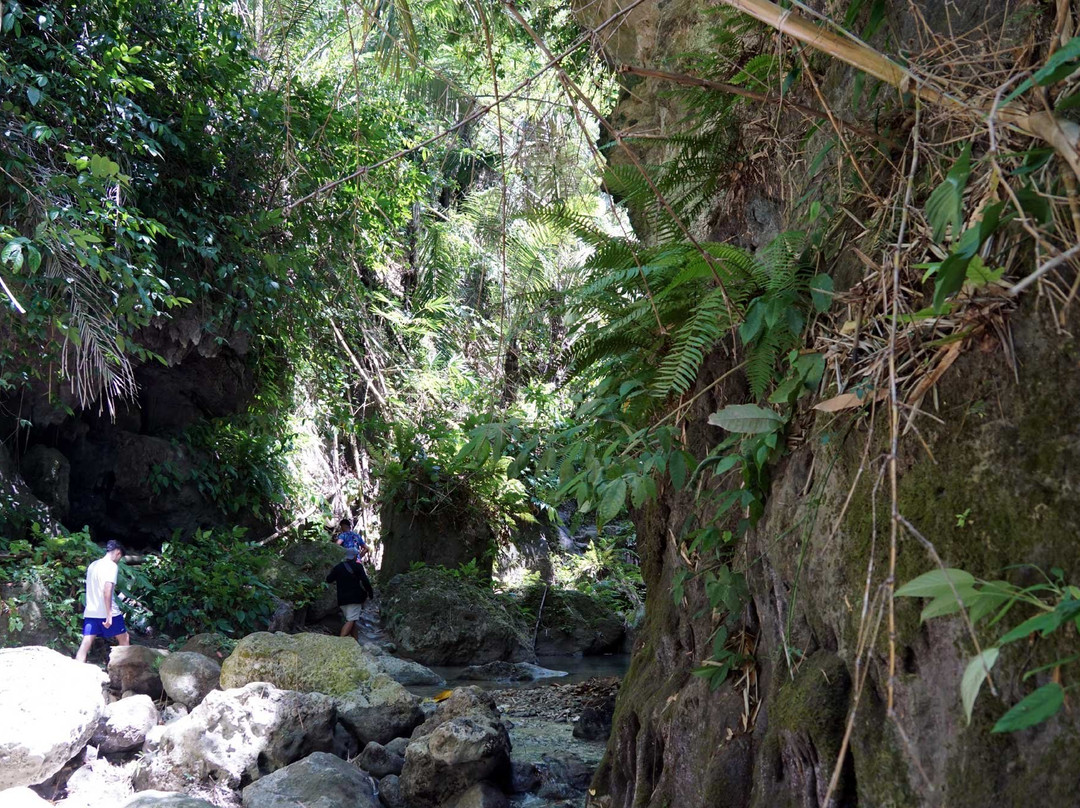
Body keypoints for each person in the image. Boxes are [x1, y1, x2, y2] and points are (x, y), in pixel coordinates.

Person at [75, 539, 130, 663]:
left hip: (91, 611)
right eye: (120, 557)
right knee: (124, 639)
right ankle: (123, 672)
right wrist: (109, 614)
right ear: (118, 553)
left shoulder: (93, 565)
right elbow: (107, 590)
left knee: (85, 644)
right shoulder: (111, 566)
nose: (118, 560)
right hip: (108, 612)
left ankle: (76, 670)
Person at [325, 546, 375, 642]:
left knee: (352, 620)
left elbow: (329, 579)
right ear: (356, 556)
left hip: (342, 599)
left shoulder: (338, 567)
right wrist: (370, 592)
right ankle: (340, 643)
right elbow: (365, 581)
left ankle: (356, 642)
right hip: (355, 598)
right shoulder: (358, 566)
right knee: (351, 620)